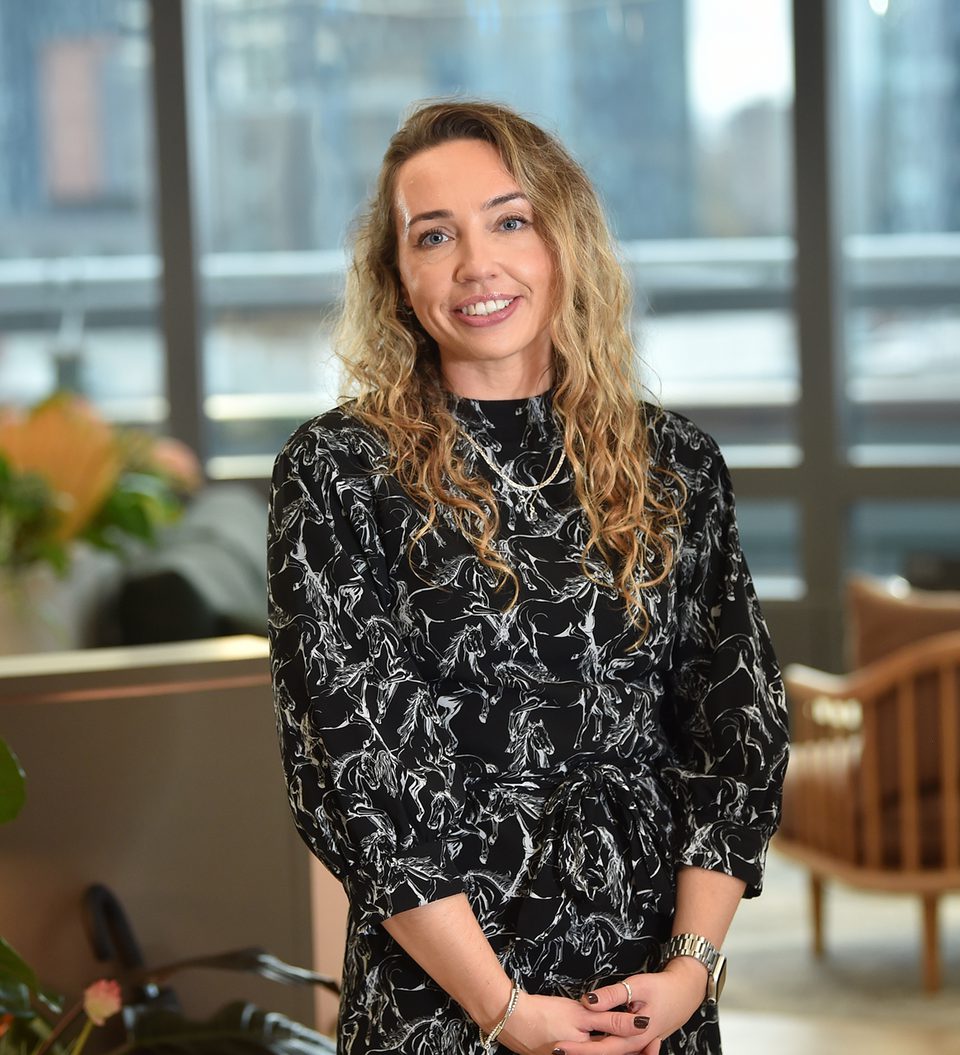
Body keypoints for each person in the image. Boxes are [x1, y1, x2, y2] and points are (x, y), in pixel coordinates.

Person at [268, 99, 789, 1055]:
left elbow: (736, 731)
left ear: (563, 239)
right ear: (396, 277)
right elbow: (353, 771)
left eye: (510, 220)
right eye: (435, 235)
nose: (477, 265)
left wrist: (689, 971)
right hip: (443, 1003)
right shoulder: (336, 473)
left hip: (648, 996)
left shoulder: (675, 463)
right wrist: (501, 1007)